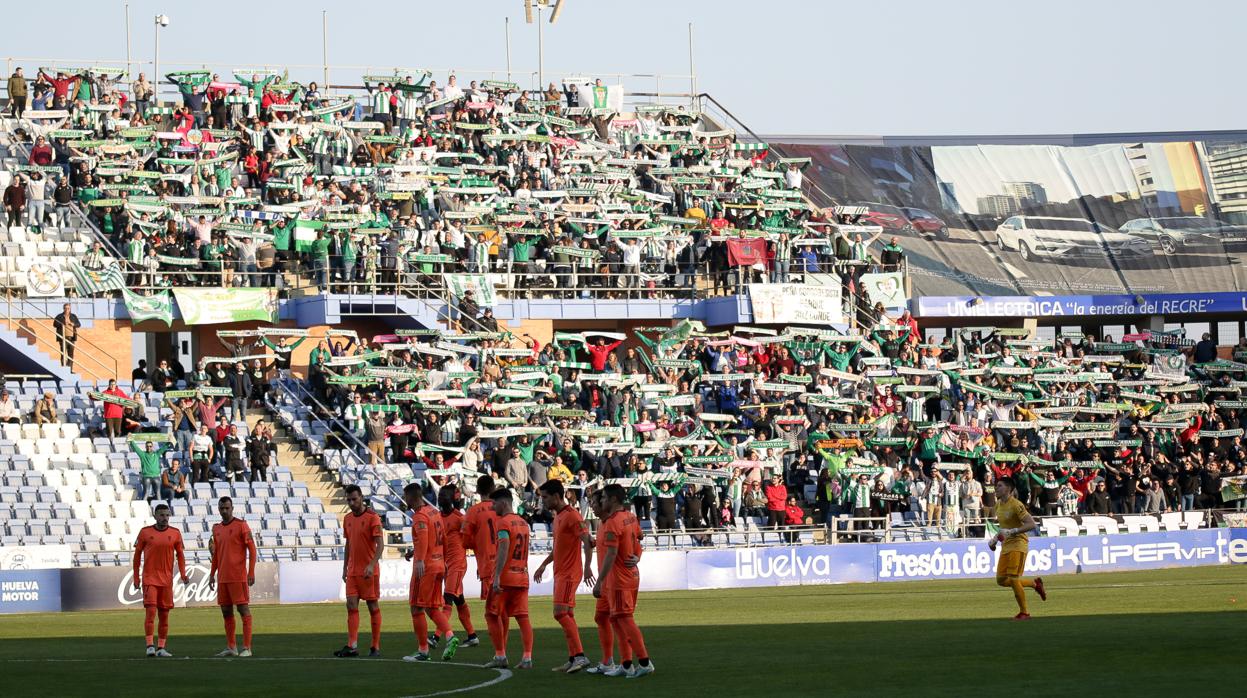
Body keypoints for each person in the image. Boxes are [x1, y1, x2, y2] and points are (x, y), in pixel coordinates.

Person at [592, 483, 653, 678]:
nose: (600, 502)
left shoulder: (613, 522)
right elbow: (639, 539)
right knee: (616, 619)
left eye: (603, 499)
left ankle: (644, 662)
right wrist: (638, 555)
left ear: (613, 500)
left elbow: (611, 553)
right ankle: (626, 664)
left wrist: (599, 581)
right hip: (630, 575)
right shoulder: (630, 517)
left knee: (625, 619)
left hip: (619, 579)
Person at [533, 479, 594, 673]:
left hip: (569, 573)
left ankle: (581, 657)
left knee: (560, 613)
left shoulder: (572, 515)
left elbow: (587, 541)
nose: (543, 501)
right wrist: (543, 564)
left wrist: (588, 568)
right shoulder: (558, 516)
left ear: (556, 497)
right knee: (567, 615)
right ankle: (573, 657)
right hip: (561, 572)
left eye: (545, 497)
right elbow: (558, 548)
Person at [401, 482, 460, 662]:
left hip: (425, 567)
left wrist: (419, 559)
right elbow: (440, 539)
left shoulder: (419, 516)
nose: (405, 500)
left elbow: (425, 537)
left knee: (416, 607)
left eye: (405, 497)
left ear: (412, 497)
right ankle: (450, 636)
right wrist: (416, 552)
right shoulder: (434, 512)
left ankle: (423, 651)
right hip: (439, 564)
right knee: (432, 607)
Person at [483, 489, 534, 670]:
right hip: (522, 575)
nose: (493, 507)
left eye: (494, 504)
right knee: (522, 617)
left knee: (491, 614)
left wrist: (496, 576)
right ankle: (527, 658)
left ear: (503, 503)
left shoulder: (503, 523)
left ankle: (500, 655)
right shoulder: (523, 523)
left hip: (505, 578)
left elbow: (504, 548)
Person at [334, 484, 385, 657]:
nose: (351, 503)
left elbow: (380, 545)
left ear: (361, 497)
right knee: (351, 605)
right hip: (353, 572)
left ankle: (375, 646)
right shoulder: (347, 518)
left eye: (354, 499)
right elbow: (348, 544)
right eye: (348, 500)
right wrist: (344, 567)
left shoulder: (373, 517)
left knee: (372, 606)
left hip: (368, 572)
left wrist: (372, 564)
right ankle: (352, 645)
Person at [132, 503, 188, 657]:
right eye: (162, 515)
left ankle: (161, 648)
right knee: (150, 612)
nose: (165, 518)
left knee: (164, 615)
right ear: (155, 516)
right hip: (150, 579)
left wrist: (183, 574)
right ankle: (150, 645)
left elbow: (181, 555)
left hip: (166, 581)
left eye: (167, 515)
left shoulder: (175, 533)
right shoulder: (145, 532)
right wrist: (136, 576)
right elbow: (136, 557)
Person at [988, 476, 1047, 620]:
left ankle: (1025, 612)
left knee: (1014, 579)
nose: (996, 488)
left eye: (1000, 486)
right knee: (1001, 580)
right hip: (1006, 545)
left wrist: (1013, 531)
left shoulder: (1016, 504)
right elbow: (1003, 528)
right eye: (996, 486)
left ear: (1008, 489)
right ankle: (1034, 584)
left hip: (1018, 544)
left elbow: (1031, 524)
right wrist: (995, 539)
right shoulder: (998, 505)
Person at [208, 496, 258, 657]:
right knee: (226, 612)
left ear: (232, 508)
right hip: (223, 577)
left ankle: (247, 648)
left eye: (227, 508)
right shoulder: (216, 528)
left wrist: (251, 572)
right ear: (218, 509)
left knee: (243, 610)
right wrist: (211, 574)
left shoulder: (241, 525)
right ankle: (231, 647)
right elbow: (216, 555)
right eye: (222, 508)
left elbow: (253, 549)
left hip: (238, 576)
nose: (224, 511)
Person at [436, 485, 479, 648]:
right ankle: (472, 635)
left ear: (451, 499)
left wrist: (480, 563)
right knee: (459, 600)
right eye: (440, 496)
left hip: (457, 564)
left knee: (447, 599)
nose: (440, 499)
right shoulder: (438, 518)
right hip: (445, 565)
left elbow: (472, 541)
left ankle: (436, 636)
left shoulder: (460, 518)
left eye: (443, 496)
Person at [462, 475, 499, 646]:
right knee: (505, 609)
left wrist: (478, 545)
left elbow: (466, 541)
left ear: (478, 491)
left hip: (487, 565)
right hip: (504, 563)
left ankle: (499, 650)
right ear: (493, 489)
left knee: (491, 611)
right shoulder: (501, 508)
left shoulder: (473, 511)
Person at [583, 490, 617, 675]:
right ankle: (608, 661)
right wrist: (593, 541)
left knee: (619, 620)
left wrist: (636, 556)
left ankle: (629, 662)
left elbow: (633, 543)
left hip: (614, 581)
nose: (592, 507)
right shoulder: (603, 525)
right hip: (606, 581)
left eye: (594, 503)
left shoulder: (613, 522)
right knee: (601, 617)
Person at [52, 303, 80, 369]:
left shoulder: (73, 316)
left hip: (72, 338)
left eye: (68, 308)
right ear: (63, 309)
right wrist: (63, 323)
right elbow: (54, 324)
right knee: (63, 354)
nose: (67, 309)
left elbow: (79, 324)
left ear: (70, 309)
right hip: (63, 338)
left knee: (71, 354)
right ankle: (63, 368)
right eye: (66, 308)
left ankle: (69, 369)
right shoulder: (59, 316)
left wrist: (73, 324)